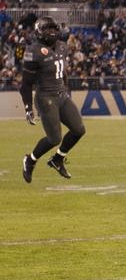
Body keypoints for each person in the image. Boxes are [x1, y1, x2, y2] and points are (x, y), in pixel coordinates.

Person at [20, 17, 86, 183]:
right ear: (39, 32)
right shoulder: (33, 51)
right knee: (54, 138)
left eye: (53, 29)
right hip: (45, 97)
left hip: (61, 95)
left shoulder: (62, 47)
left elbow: (63, 72)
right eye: (47, 29)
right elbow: (26, 84)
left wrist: (66, 88)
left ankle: (57, 159)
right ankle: (30, 160)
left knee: (78, 130)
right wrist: (28, 108)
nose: (51, 32)